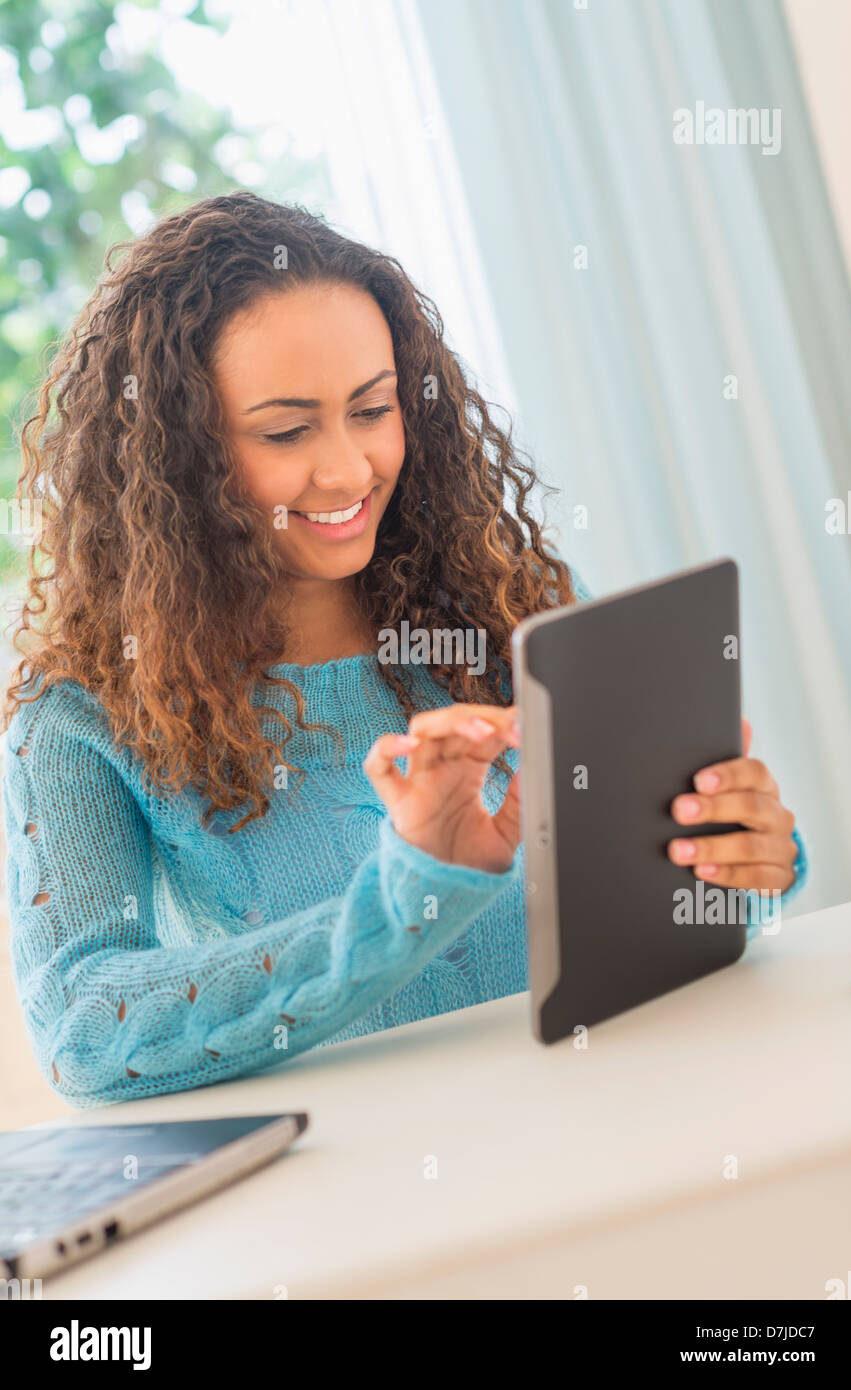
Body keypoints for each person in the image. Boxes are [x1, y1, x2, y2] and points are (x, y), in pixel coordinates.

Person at [1, 193, 805, 1108]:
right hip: (368, 1216)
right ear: (174, 455)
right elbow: (81, 1033)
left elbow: (679, 906)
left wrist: (747, 861)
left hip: (626, 1130)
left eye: (372, 410)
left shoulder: (510, 611)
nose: (347, 470)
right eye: (285, 431)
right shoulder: (79, 717)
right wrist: (404, 899)